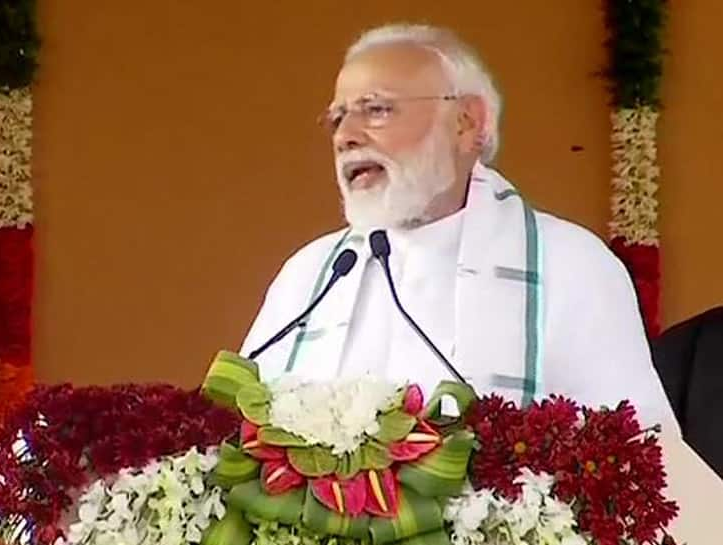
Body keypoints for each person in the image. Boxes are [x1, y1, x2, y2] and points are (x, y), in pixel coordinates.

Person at [240, 23, 679, 433]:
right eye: (338, 118)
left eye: (375, 110)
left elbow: (642, 457)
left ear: (468, 122)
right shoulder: (310, 275)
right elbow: (235, 434)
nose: (345, 136)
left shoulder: (571, 266)